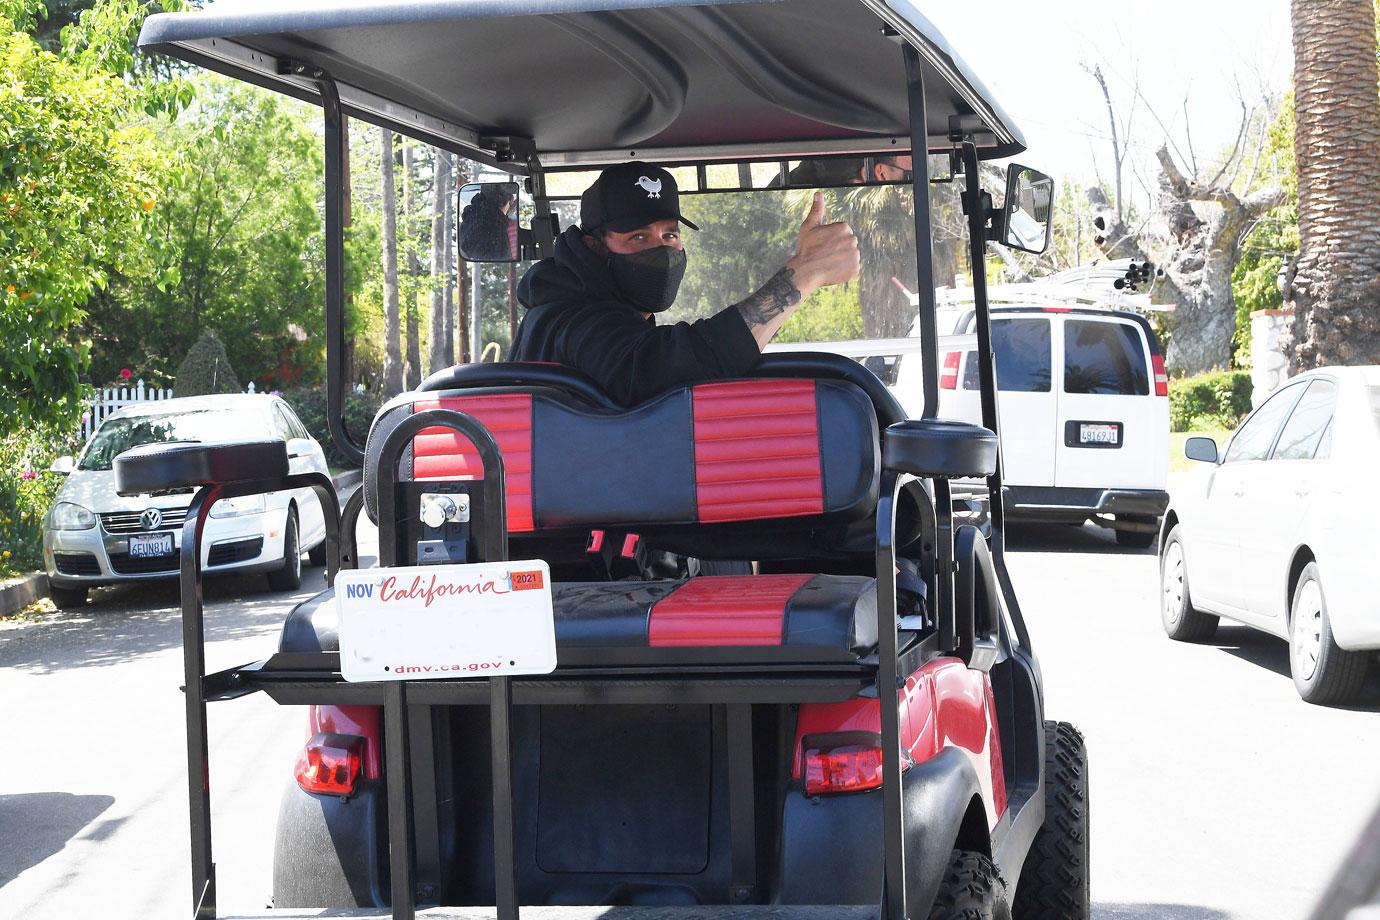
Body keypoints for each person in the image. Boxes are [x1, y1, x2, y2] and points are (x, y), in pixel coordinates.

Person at [510, 162, 860, 406]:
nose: (661, 249)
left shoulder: (576, 308)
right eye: (637, 237)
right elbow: (664, 369)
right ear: (593, 246)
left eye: (670, 234)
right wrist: (805, 273)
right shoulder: (574, 321)